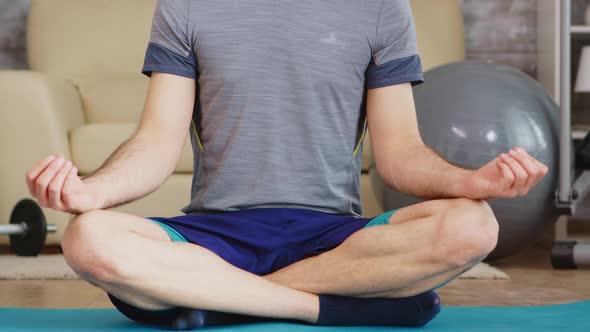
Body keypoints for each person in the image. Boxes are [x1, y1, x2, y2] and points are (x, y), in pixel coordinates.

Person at [25, 0, 548, 330]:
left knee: (473, 224)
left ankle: (222, 301)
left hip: (334, 239)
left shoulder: (382, 9)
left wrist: (470, 181)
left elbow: (400, 155)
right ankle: (319, 306)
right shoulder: (185, 7)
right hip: (214, 237)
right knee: (86, 238)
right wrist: (90, 193)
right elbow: (157, 144)